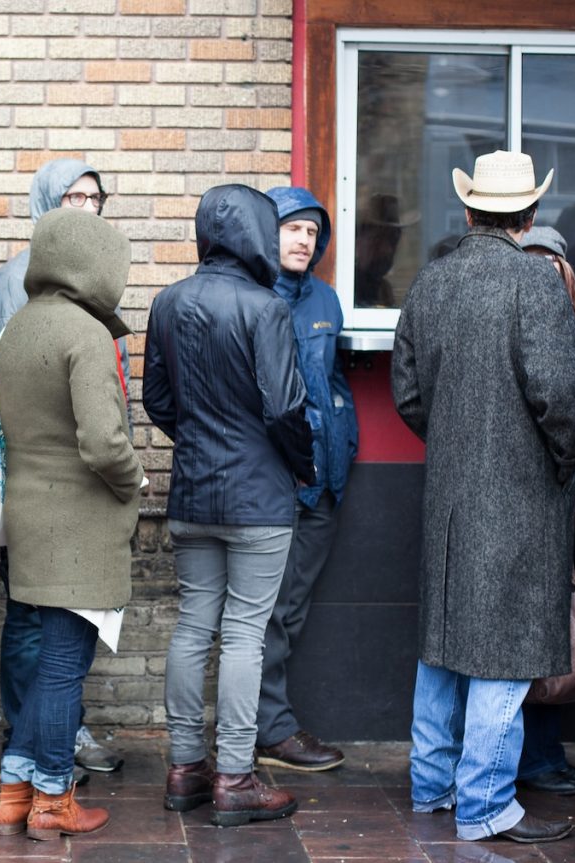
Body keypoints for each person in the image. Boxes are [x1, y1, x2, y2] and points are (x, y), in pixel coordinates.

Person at [391, 150, 575, 843]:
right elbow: (562, 399)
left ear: (470, 210)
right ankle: (484, 805)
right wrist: (562, 467)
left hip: (447, 491)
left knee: (442, 646)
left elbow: (409, 395)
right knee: (503, 653)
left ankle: (431, 788)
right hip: (523, 493)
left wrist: (452, 439)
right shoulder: (536, 284)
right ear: (528, 214)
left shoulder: (430, 283)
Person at [144, 184, 315, 827]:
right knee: (244, 633)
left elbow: (158, 399)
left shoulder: (168, 301)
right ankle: (236, 778)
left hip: (191, 489)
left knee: (193, 626)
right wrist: (302, 465)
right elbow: (286, 408)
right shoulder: (267, 307)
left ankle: (186, 770)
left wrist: (198, 439)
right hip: (258, 496)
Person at [0, 207, 143, 841]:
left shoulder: (20, 327)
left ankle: (13, 791)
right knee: (61, 668)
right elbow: (106, 444)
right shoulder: (84, 333)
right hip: (79, 527)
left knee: (45, 663)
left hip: (27, 518)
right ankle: (53, 801)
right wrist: (134, 482)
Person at [254, 186, 358, 773]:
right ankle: (269, 728)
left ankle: (267, 725)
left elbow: (333, 378)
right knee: (267, 611)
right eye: (292, 227)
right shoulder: (253, 295)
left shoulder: (326, 299)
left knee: (290, 609)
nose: (303, 239)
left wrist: (346, 437)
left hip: (325, 479)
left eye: (313, 231)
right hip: (275, 481)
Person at [516, 226, 575, 797]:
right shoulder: (519, 332)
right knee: (527, 631)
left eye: (555, 265)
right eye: (534, 264)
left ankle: (541, 754)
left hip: (563, 498)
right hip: (529, 496)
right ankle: (532, 759)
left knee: (550, 629)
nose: (545, 274)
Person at [354, 193, 418, 307]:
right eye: (378, 239)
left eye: (393, 239)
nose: (388, 250)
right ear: (359, 240)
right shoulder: (350, 287)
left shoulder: (384, 290)